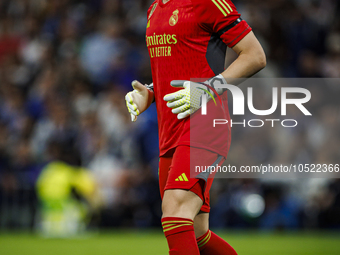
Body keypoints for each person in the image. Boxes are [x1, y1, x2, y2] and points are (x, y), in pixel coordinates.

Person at [125, 0, 266, 254]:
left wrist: (209, 88)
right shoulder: (155, 9)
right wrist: (151, 93)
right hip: (170, 132)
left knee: (175, 213)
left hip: (205, 124)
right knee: (198, 233)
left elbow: (255, 55)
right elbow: (180, 67)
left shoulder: (207, 2)